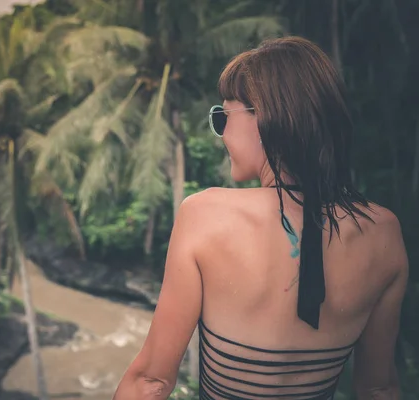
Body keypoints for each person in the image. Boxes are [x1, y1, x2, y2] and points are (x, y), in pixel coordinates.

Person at [112, 36, 408, 400]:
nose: (220, 135)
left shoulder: (205, 216)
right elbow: (378, 388)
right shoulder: (383, 234)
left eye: (222, 117)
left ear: (264, 116)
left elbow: (150, 383)